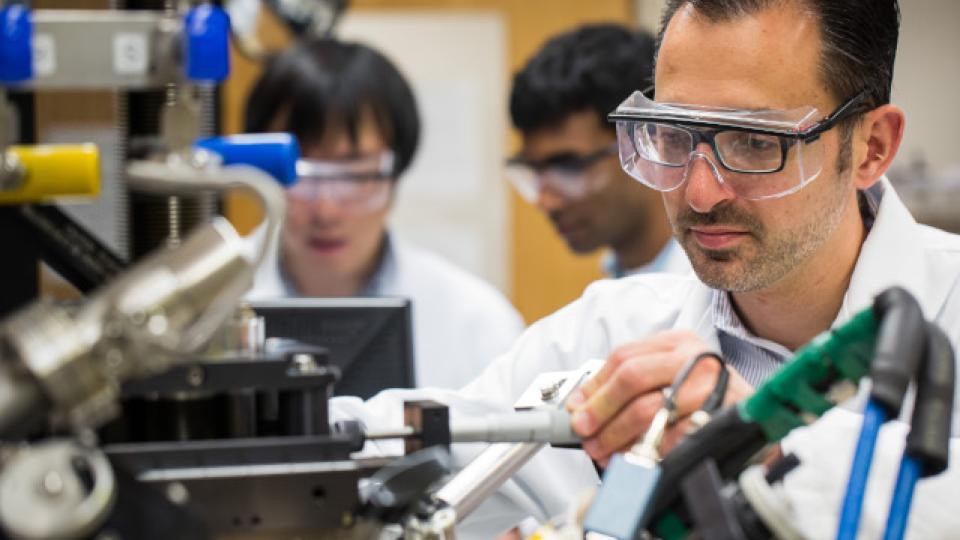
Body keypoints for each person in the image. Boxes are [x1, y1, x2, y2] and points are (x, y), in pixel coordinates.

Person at [339, 0, 960, 537]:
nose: (699, 194)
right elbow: (414, 443)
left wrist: (760, 444)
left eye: (754, 142)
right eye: (672, 134)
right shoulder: (609, 332)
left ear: (872, 147)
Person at [244, 39, 525, 389]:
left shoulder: (477, 323)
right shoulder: (198, 309)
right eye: (299, 174)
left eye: (355, 175)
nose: (326, 210)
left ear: (396, 172)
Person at [507, 24, 688, 277]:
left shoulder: (721, 287)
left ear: (648, 143)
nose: (545, 201)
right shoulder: (617, 282)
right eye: (534, 172)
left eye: (568, 167)